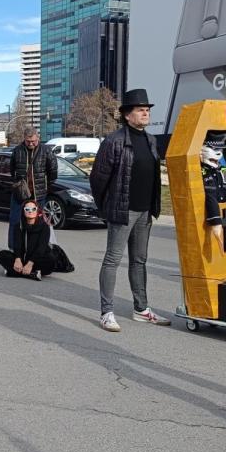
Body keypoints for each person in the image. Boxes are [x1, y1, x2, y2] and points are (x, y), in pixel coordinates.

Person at [89, 89, 168, 332]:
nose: (146, 113)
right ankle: (107, 312)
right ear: (127, 115)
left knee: (139, 260)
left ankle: (141, 309)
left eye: (147, 110)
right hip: (122, 211)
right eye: (141, 110)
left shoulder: (151, 140)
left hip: (145, 211)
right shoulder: (114, 141)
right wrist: (106, 207)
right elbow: (98, 178)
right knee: (112, 260)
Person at [9, 127, 58, 249]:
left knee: (39, 222)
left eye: (33, 141)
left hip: (39, 193)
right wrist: (19, 184)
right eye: (28, 141)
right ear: (24, 139)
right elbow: (12, 171)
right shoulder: (17, 151)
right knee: (15, 221)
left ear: (38, 138)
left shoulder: (46, 151)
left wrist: (46, 186)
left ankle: (38, 249)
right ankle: (13, 249)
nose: (31, 144)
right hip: (20, 194)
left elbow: (53, 171)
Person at [0, 199, 55, 281]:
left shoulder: (44, 227)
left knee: (51, 261)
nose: (30, 211)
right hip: (22, 259)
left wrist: (30, 263)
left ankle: (13, 272)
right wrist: (17, 259)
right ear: (23, 212)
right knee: (2, 255)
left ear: (37, 211)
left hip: (36, 259)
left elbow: (41, 247)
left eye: (33, 209)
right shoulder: (19, 226)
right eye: (27, 209)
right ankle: (32, 274)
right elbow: (16, 245)